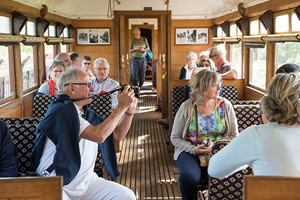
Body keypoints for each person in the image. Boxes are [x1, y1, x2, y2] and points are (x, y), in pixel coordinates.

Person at [31, 67, 137, 200]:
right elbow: (99, 135)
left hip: (87, 183)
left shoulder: (86, 113)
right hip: (58, 182)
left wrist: (129, 112)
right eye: (88, 85)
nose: (92, 89)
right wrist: (121, 107)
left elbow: (117, 134)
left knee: (126, 196)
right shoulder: (61, 111)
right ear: (72, 88)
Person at [208, 73, 300, 179]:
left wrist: (247, 160)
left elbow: (214, 170)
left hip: (268, 195)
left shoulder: (257, 135)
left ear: (270, 101)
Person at [170, 69, 238, 200]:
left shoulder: (225, 105)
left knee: (223, 176)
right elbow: (175, 137)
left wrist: (216, 146)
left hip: (219, 150)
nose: (219, 88)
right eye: (214, 85)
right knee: (190, 178)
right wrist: (193, 149)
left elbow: (233, 135)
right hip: (189, 150)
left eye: (219, 84)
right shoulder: (187, 107)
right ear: (202, 87)